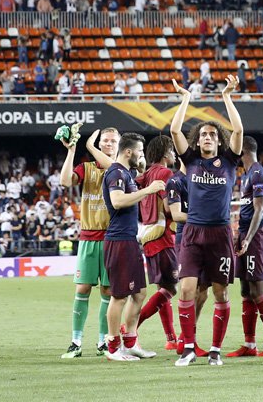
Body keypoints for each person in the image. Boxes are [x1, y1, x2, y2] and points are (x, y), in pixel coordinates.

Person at [169, 76, 243, 367]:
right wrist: (186, 98)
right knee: (186, 290)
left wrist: (227, 96)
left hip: (221, 234)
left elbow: (238, 128)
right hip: (192, 233)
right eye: (203, 135)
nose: (208, 138)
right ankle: (188, 348)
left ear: (218, 139)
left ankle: (215, 350)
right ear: (197, 140)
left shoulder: (229, 162)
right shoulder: (191, 161)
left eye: (212, 134)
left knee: (220, 293)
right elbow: (175, 129)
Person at [59, 128, 120, 358]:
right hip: (88, 236)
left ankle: (103, 342)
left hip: (112, 237)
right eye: (105, 140)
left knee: (107, 291)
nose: (109, 144)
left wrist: (90, 147)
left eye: (114, 141)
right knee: (82, 288)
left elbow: (112, 166)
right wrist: (72, 150)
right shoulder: (86, 168)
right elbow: (65, 181)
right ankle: (76, 341)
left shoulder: (121, 169)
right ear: (99, 142)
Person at [226, 136, 263, 358]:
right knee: (245, 290)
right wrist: (238, 234)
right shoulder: (247, 174)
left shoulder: (259, 172)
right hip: (246, 234)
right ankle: (249, 345)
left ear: (242, 149)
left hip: (258, 235)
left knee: (257, 290)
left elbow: (261, 209)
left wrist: (248, 238)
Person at [102, 133, 161, 361]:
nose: (142, 155)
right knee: (119, 296)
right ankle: (113, 347)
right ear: (128, 152)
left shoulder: (126, 172)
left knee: (139, 293)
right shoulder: (116, 172)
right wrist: (148, 190)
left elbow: (133, 184)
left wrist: (142, 168)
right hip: (119, 241)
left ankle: (131, 342)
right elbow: (117, 201)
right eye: (140, 151)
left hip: (129, 239)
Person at [134, 136, 179, 350]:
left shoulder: (146, 175)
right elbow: (170, 208)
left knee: (163, 289)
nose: (175, 154)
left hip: (148, 236)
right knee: (171, 288)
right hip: (163, 237)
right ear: (165, 152)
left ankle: (171, 339)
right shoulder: (165, 173)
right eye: (172, 150)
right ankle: (130, 326)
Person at [166, 168, 210, 357]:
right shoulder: (175, 181)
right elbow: (176, 215)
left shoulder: (205, 178)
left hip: (207, 237)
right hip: (186, 237)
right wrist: (207, 219)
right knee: (187, 289)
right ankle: (186, 340)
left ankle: (186, 338)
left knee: (203, 292)